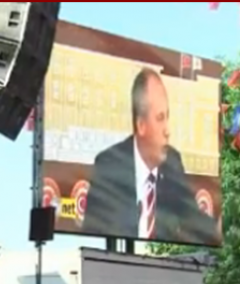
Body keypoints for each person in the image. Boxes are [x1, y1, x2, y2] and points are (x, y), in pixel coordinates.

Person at [83, 68, 218, 244]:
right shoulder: (109, 166)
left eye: (167, 117)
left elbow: (195, 220)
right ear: (141, 125)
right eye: (160, 118)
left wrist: (220, 228)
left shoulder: (172, 163)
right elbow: (92, 235)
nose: (168, 131)